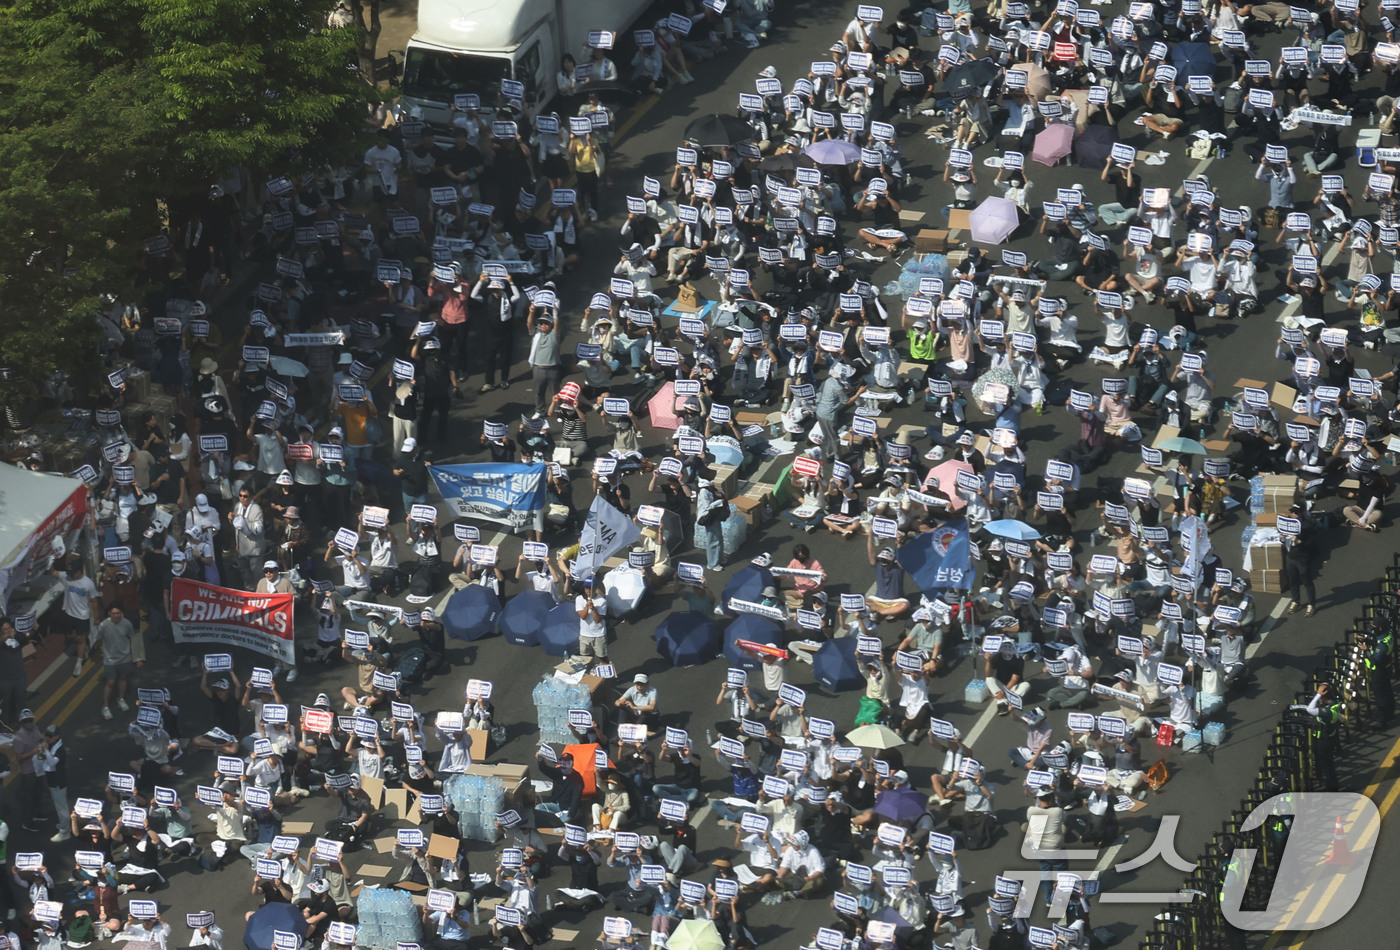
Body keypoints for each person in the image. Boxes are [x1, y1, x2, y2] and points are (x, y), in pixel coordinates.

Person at [50, 559, 99, 679]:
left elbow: (93, 601)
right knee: (73, 637)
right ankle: (83, 646)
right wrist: (48, 560)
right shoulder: (66, 577)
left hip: (82, 616)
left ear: (79, 571)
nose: (70, 574)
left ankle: (79, 662)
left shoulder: (88, 584)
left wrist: (97, 617)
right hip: (69, 613)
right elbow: (52, 572)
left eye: (72, 572)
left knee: (80, 639)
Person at [95, 606, 138, 721]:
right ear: (109, 613)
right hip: (110, 659)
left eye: (118, 613)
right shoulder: (104, 625)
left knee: (123, 678)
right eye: (113, 613)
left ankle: (121, 699)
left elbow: (132, 637)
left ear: (122, 613)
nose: (116, 615)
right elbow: (98, 638)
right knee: (110, 682)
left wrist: (136, 656)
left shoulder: (127, 624)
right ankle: (105, 706)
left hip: (124, 658)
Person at [575, 575, 609, 659]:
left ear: (596, 587)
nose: (588, 590)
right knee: (586, 659)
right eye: (586, 588)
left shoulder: (602, 601)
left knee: (603, 658)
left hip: (599, 635)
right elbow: (583, 616)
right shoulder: (579, 599)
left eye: (590, 588)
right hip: (584, 635)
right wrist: (587, 606)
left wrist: (593, 609)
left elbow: (597, 620)